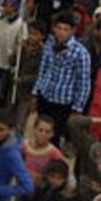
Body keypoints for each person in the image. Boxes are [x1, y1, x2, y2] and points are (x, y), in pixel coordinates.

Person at [31, 11, 92, 142]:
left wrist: (77, 108)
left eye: (66, 29)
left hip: (63, 103)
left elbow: (84, 83)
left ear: (73, 31)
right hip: (45, 96)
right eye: (59, 28)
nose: (61, 32)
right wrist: (36, 93)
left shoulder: (81, 53)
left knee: (54, 137)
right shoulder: (49, 45)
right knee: (39, 132)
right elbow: (43, 70)